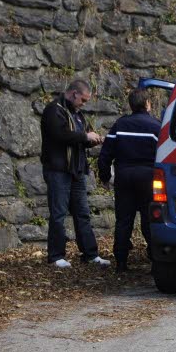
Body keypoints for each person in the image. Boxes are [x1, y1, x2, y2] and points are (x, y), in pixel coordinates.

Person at [40, 80, 111, 268]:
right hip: (58, 170)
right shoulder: (53, 110)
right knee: (58, 214)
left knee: (82, 213)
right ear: (73, 94)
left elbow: (81, 137)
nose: (84, 104)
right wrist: (84, 137)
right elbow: (60, 135)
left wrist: (92, 140)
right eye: (83, 100)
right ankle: (56, 256)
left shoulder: (77, 114)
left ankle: (90, 254)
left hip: (76, 170)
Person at [97, 89, 161, 273]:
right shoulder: (156, 126)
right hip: (148, 178)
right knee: (150, 219)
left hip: (124, 177)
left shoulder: (120, 125)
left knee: (124, 220)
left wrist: (105, 177)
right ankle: (155, 258)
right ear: (148, 103)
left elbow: (105, 154)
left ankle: (121, 262)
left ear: (131, 105)